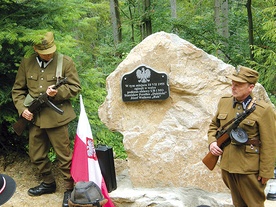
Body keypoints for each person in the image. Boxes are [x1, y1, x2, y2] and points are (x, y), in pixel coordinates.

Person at [12, 31, 81, 207]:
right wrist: (23, 109)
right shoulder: (27, 62)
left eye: (50, 50)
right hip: (35, 117)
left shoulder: (64, 62)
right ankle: (48, 182)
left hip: (57, 118)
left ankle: (69, 188)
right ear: (36, 49)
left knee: (64, 156)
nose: (48, 54)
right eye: (44, 52)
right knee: (36, 154)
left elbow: (75, 87)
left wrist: (57, 93)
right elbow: (18, 90)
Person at [208, 65, 276, 207]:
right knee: (237, 204)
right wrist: (212, 143)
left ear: (250, 87)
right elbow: (214, 126)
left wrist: (266, 172)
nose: (233, 87)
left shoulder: (263, 110)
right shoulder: (225, 101)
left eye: (238, 85)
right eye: (233, 84)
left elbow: (270, 143)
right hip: (227, 165)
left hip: (249, 169)